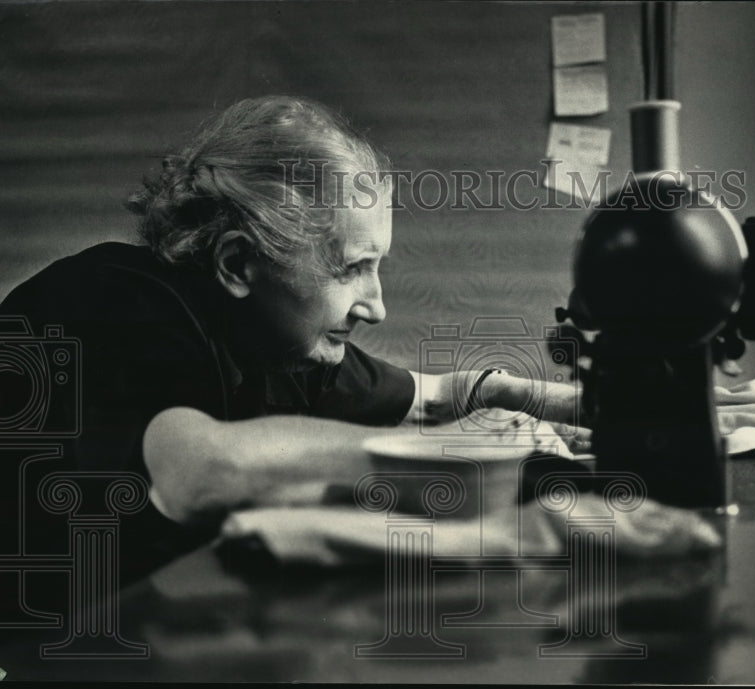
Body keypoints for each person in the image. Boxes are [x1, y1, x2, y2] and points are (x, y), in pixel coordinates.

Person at [0, 95, 583, 584]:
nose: (376, 307)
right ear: (237, 263)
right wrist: (469, 458)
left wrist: (593, 410)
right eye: (351, 269)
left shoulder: (268, 332)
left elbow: (439, 396)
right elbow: (201, 470)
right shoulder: (113, 304)